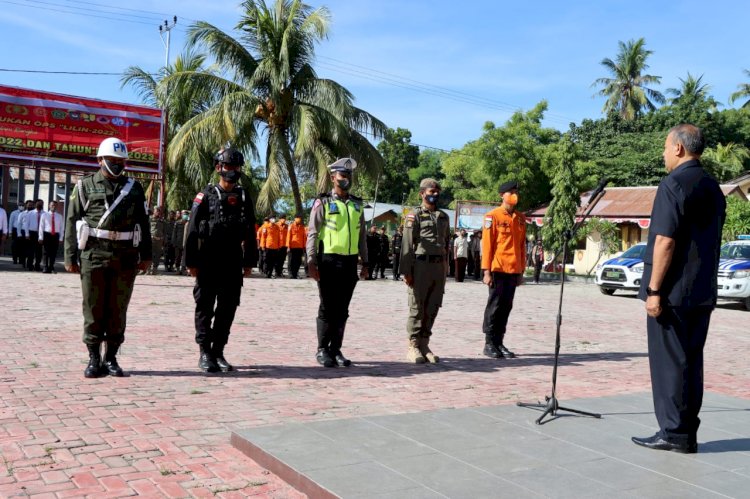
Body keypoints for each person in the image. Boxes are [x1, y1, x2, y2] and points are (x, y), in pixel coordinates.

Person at [631, 124, 726, 454]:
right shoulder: (713, 187)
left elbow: (665, 241)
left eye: (665, 145)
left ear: (679, 149)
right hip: (702, 292)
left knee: (669, 362)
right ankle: (686, 432)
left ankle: (672, 432)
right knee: (691, 362)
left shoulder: (673, 184)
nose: (663, 152)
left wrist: (654, 289)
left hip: (672, 293)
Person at [64, 137, 152, 378]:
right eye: (112, 160)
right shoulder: (84, 186)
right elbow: (71, 221)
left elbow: (143, 223)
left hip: (125, 256)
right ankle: (93, 358)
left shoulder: (134, 188)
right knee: (93, 307)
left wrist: (147, 255)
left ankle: (111, 357)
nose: (117, 165)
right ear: (99, 160)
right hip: (94, 254)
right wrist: (70, 256)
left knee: (118, 308)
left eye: (121, 161)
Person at [185, 145, 257, 373]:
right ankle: (205, 352)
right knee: (205, 307)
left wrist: (249, 262)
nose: (232, 171)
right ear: (218, 167)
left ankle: (218, 351)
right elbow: (193, 230)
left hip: (233, 260)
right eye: (227, 166)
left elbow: (250, 231)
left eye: (235, 167)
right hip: (208, 260)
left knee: (228, 308)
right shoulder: (205, 196)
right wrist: (191, 262)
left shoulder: (244, 196)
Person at [306, 157, 368, 368]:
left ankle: (336, 349)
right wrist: (311, 261)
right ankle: (323, 349)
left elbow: (362, 237)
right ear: (333, 178)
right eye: (342, 176)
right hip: (328, 260)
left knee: (343, 308)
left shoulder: (357, 205)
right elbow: (313, 233)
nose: (346, 179)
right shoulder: (322, 202)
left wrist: (365, 262)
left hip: (350, 262)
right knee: (327, 306)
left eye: (349, 176)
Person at [400, 178, 451, 364]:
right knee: (417, 307)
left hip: (438, 267)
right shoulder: (414, 215)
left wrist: (446, 268)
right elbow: (407, 245)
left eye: (437, 191)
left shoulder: (444, 217)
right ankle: (412, 346)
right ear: (422, 193)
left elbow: (446, 244)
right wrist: (407, 271)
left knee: (433, 306)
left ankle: (424, 344)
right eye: (431, 191)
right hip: (420, 265)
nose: (435, 194)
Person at [481, 180, 526, 359]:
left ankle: (499, 342)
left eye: (516, 191)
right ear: (502, 195)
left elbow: (521, 247)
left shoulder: (521, 218)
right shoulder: (492, 217)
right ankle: (489, 343)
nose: (514, 194)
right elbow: (487, 246)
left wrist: (521, 271)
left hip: (513, 270)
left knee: (506, 307)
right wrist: (486, 271)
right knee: (495, 306)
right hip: (497, 269)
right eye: (510, 192)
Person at [38, 200, 64, 273]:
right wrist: (40, 237)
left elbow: (62, 228)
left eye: (55, 205)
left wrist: (61, 237)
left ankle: (51, 267)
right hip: (47, 234)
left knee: (53, 252)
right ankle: (45, 267)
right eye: (52, 205)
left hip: (55, 235)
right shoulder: (44, 215)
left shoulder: (59, 216)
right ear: (49, 206)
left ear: (57, 206)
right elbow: (41, 227)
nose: (53, 207)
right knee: (46, 252)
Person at [24, 199, 44, 271]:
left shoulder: (44, 213)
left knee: (39, 251)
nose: (40, 205)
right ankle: (30, 265)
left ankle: (37, 265)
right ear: (35, 204)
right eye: (38, 204)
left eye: (41, 204)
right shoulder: (30, 213)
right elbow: (26, 224)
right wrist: (27, 234)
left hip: (40, 234)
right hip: (32, 233)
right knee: (31, 251)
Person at [286, 213, 307, 279]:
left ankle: (296, 273)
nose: (299, 219)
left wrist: (304, 246)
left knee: (298, 261)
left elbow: (304, 237)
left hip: (300, 247)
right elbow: (288, 236)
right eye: (298, 218)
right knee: (291, 261)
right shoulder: (291, 226)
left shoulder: (302, 227)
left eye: (300, 218)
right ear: (295, 218)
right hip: (292, 247)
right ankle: (290, 274)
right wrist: (288, 246)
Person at [149, 206, 167, 275]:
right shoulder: (150, 219)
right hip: (152, 239)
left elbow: (164, 231)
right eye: (157, 211)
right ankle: (148, 268)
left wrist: (163, 240)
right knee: (150, 254)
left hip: (159, 241)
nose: (158, 212)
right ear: (154, 211)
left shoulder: (162, 221)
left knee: (157, 255)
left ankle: (155, 269)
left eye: (159, 211)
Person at [172, 210, 189, 275]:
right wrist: (173, 242)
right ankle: (178, 269)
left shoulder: (189, 223)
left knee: (185, 257)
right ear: (182, 215)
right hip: (178, 242)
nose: (185, 215)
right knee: (178, 257)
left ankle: (183, 269)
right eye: (184, 214)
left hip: (186, 243)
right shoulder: (177, 223)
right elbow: (174, 233)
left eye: (186, 214)